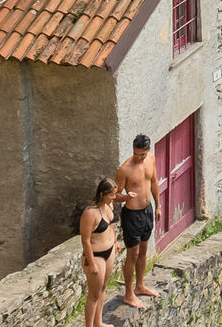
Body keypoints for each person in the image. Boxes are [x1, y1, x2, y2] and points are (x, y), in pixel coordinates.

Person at [114, 133, 160, 307]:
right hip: (132, 215)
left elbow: (154, 181)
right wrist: (125, 197)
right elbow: (114, 195)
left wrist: (158, 205)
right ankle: (128, 293)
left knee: (144, 249)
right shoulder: (125, 169)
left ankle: (140, 286)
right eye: (136, 154)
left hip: (147, 211)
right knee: (132, 254)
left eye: (143, 154)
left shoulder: (151, 159)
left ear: (148, 150)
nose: (140, 157)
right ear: (133, 150)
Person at [77, 178, 120, 327]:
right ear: (102, 194)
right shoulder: (90, 213)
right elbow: (85, 240)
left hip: (109, 251)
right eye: (111, 195)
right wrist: (92, 263)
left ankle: (98, 322)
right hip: (96, 256)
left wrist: (115, 241)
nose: (114, 198)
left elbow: (111, 225)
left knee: (103, 288)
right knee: (94, 294)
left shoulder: (109, 206)